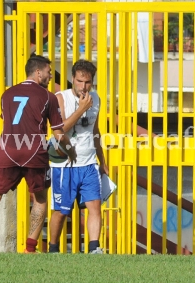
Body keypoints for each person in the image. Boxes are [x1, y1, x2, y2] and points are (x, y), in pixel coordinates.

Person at [0, 55, 76, 253]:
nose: (49, 77)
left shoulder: (7, 94)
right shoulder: (48, 97)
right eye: (48, 72)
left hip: (7, 150)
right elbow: (58, 133)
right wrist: (71, 151)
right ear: (38, 73)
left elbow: (9, 119)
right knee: (39, 199)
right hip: (34, 151)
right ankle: (30, 248)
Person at [48, 59, 108, 254]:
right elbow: (60, 129)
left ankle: (94, 248)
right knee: (61, 211)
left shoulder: (96, 99)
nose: (84, 86)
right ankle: (53, 248)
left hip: (89, 162)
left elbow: (95, 130)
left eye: (88, 82)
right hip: (65, 164)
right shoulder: (60, 98)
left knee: (94, 207)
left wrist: (102, 160)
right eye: (80, 81)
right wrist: (81, 108)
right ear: (72, 79)